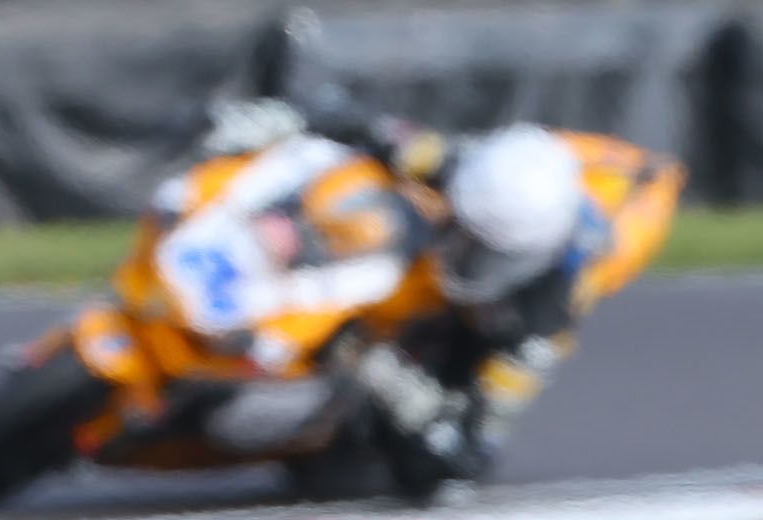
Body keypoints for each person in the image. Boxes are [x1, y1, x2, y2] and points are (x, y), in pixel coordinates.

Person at [159, 102, 684, 499]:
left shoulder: (544, 317)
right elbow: (373, 130)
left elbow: (473, 449)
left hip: (586, 229)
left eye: (479, 249)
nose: (458, 250)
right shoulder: (466, 172)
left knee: (405, 467)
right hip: (547, 174)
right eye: (458, 230)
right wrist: (281, 122)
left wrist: (399, 390)